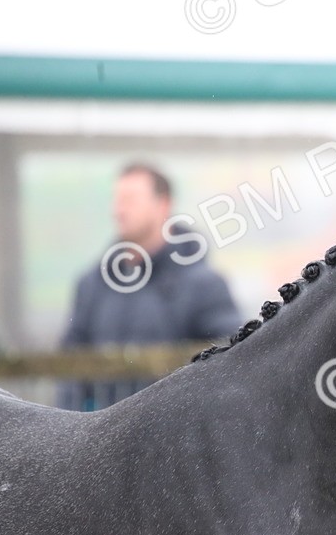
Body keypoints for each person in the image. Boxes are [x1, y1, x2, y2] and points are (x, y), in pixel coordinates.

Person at [58, 163, 241, 410]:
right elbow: (70, 368)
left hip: (173, 440)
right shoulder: (92, 285)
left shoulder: (205, 286)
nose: (118, 210)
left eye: (130, 200)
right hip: (101, 440)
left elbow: (230, 363)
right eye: (117, 200)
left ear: (162, 204)